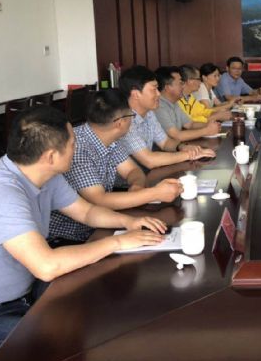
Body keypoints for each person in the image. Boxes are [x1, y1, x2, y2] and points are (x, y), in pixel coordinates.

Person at [0, 106, 167, 352]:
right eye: (72, 144)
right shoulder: (3, 193)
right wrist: (117, 242)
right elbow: (46, 265)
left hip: (27, 291)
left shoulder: (44, 174)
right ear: (50, 156)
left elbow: (86, 212)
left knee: (98, 308)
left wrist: (127, 222)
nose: (76, 148)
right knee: (52, 349)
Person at [49, 89, 183, 245]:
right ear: (120, 123)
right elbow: (99, 200)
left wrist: (137, 186)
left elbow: (133, 170)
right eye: (131, 115)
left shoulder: (110, 139)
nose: (132, 120)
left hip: (101, 222)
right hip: (70, 237)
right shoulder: (77, 148)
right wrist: (154, 193)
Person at [118, 65, 215, 170]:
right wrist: (190, 154)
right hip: (127, 179)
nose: (159, 94)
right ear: (136, 94)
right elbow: (149, 160)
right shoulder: (124, 121)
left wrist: (182, 147)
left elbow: (165, 142)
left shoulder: (149, 113)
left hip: (145, 173)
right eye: (154, 89)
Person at [154, 66, 222, 142]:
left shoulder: (175, 103)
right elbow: (177, 135)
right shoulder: (159, 106)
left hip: (178, 145)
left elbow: (190, 124)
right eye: (180, 83)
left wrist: (211, 125)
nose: (183, 86)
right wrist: (206, 131)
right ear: (168, 87)